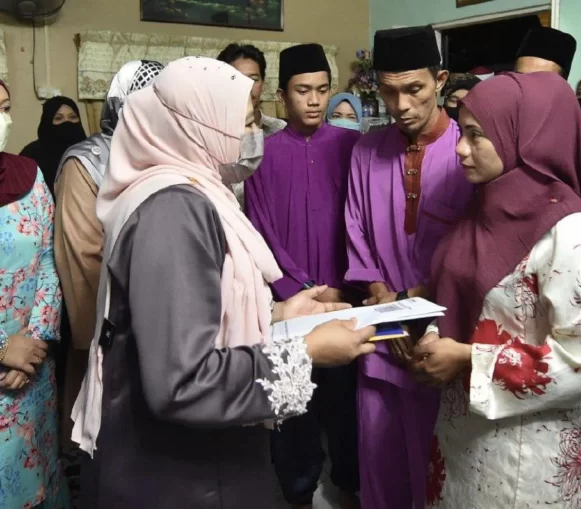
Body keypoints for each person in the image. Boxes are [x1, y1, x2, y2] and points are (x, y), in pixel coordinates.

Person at [70, 57, 375, 509]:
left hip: (193, 462)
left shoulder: (182, 187)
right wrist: (305, 351)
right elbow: (183, 381)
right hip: (185, 475)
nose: (255, 136)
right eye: (247, 123)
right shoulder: (174, 210)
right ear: (201, 128)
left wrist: (278, 314)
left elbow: (188, 314)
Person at [414, 71, 581, 509]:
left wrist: (467, 358)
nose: (460, 148)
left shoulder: (571, 232)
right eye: (461, 132)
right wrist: (433, 335)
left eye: (476, 135)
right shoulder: (481, 208)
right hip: (463, 434)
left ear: (521, 137)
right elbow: (456, 294)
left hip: (529, 449)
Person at [345, 25, 474, 509]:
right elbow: (355, 233)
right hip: (380, 337)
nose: (401, 105)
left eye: (414, 89)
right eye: (388, 91)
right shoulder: (365, 150)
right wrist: (387, 312)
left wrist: (412, 311)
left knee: (438, 467)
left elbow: (472, 251)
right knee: (380, 463)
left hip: (440, 339)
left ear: (440, 80)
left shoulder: (468, 151)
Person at [244, 43, 362, 509]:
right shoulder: (263, 155)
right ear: (281, 95)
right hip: (290, 304)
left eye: (322, 89)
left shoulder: (352, 148)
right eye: (302, 90)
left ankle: (351, 485)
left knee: (346, 402)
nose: (314, 100)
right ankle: (298, 492)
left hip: (344, 297)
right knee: (293, 405)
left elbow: (361, 222)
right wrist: (299, 289)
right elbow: (260, 230)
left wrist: (343, 285)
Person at [53, 60, 163, 448]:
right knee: (108, 440)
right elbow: (82, 254)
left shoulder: (168, 158)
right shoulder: (87, 161)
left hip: (167, 325)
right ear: (119, 104)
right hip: (110, 327)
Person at [0, 80, 71, 509]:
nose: (2, 120)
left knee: (39, 474)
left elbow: (48, 257)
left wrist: (37, 341)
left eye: (5, 107)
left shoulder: (27, 175)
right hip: (6, 363)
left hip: (33, 370)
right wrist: (3, 348)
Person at [513, 26, 581, 226]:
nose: (527, 88)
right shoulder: (494, 141)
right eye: (519, 78)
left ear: (561, 87)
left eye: (541, 80)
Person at [218, 44, 287, 210]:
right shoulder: (211, 134)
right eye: (236, 78)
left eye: (254, 79)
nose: (247, 86)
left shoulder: (280, 131)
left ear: (263, 83)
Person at [20, 95, 86, 193]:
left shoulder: (90, 151)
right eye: (59, 118)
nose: (67, 122)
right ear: (47, 122)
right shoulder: (31, 155)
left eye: (73, 117)